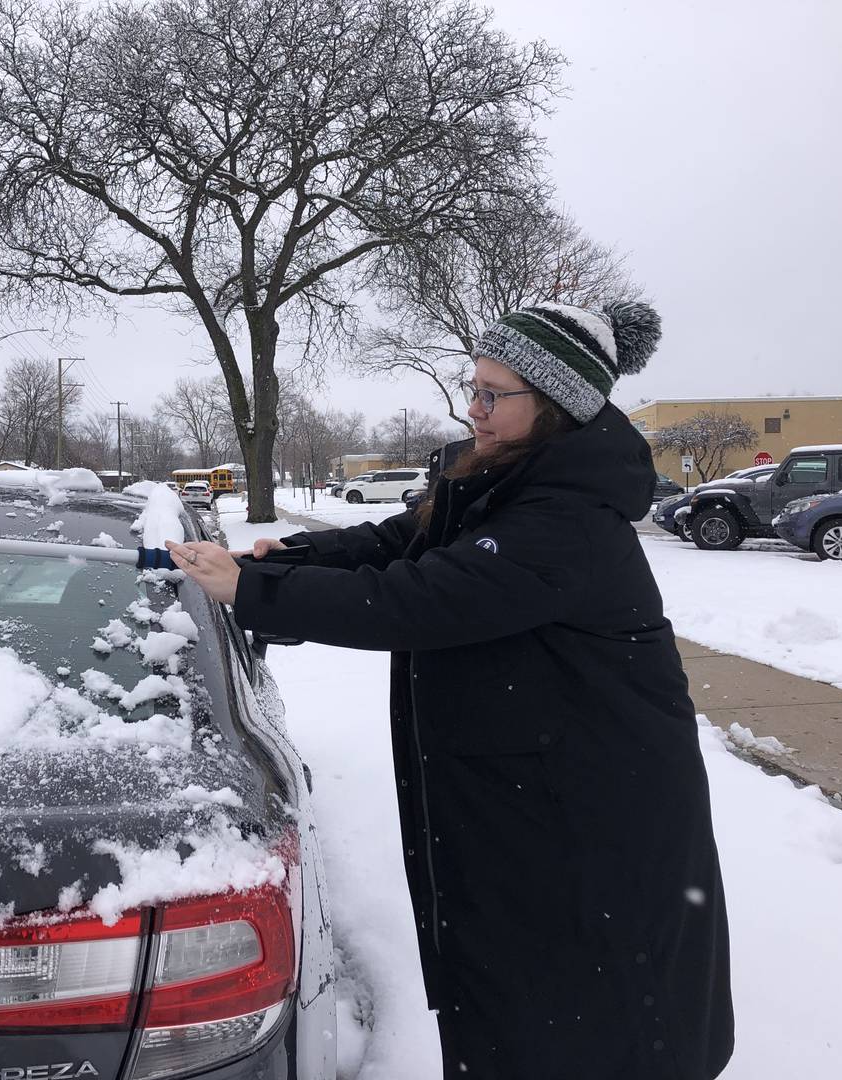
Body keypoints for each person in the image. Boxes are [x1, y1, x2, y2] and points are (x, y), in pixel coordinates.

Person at [167, 300, 734, 1080]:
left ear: (559, 406)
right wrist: (286, 559)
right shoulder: (501, 479)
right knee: (518, 1004)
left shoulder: (567, 517)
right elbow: (400, 540)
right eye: (474, 388)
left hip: (591, 820)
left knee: (593, 1018)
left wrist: (257, 594)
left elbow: (427, 596)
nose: (474, 409)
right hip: (529, 803)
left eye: (494, 395)